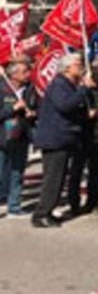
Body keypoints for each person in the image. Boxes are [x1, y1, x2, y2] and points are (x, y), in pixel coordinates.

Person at [32, 53, 93, 228]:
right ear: (67, 68)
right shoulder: (59, 84)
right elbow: (65, 105)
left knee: (58, 179)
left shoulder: (69, 85)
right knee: (53, 178)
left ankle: (49, 212)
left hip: (64, 138)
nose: (81, 68)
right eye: (78, 64)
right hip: (55, 139)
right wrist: (83, 90)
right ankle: (41, 214)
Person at [68, 59, 98, 215]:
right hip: (82, 135)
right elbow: (71, 109)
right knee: (77, 170)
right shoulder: (80, 90)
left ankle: (95, 199)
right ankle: (74, 203)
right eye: (96, 72)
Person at [0, 59, 37, 216]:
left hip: (22, 136)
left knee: (18, 172)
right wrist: (12, 109)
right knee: (2, 171)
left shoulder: (30, 90)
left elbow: (38, 107)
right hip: (3, 138)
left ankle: (14, 205)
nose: (28, 74)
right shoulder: (2, 89)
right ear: (13, 75)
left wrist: (33, 113)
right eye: (24, 71)